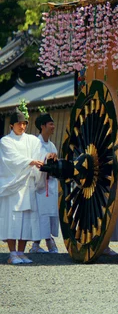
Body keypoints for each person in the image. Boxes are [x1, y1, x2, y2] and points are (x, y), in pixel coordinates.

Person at [1, 107, 54, 265]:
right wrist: (29, 161)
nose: (22, 127)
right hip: (14, 187)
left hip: (28, 185)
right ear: (12, 126)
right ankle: (12, 253)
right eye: (19, 124)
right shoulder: (5, 141)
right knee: (13, 220)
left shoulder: (31, 140)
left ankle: (21, 252)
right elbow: (11, 159)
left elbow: (39, 154)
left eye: (24, 123)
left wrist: (47, 156)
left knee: (26, 220)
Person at [30, 112, 60, 254]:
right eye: (51, 124)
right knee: (41, 213)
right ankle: (43, 243)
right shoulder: (35, 143)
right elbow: (35, 160)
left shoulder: (52, 145)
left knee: (49, 213)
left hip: (51, 184)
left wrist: (54, 158)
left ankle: (45, 242)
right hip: (40, 185)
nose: (53, 127)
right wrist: (45, 157)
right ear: (42, 126)